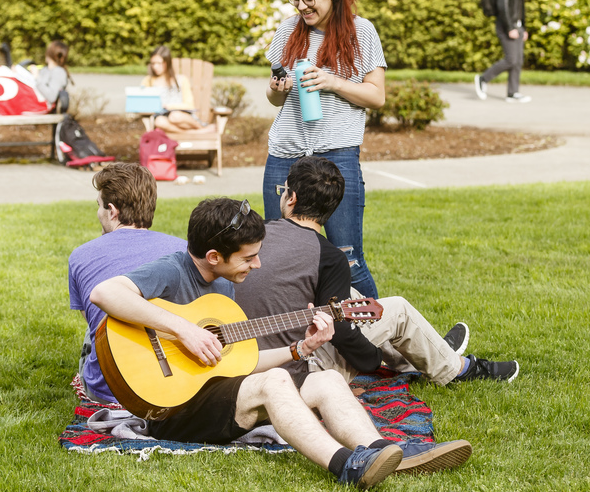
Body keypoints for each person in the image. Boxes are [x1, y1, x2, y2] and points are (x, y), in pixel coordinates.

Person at [89, 198, 472, 486]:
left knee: (326, 380)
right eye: (249, 258)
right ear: (212, 256)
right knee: (275, 382)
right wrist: (183, 329)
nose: (256, 266)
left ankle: (380, 451)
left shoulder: (222, 286)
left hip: (214, 395)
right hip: (172, 411)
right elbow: (106, 293)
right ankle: (345, 465)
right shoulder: (172, 270)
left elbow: (238, 363)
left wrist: (299, 350)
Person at [236, 156, 519, 385]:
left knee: (350, 294)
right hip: (296, 369)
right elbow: (343, 334)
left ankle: (427, 354)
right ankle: (457, 368)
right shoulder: (329, 257)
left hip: (241, 355)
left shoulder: (256, 236)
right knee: (398, 309)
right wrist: (374, 360)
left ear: (292, 198)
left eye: (283, 190)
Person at [263, 0, 386, 300]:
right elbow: (274, 99)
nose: (301, 7)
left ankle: (381, 339)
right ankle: (294, 344)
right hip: (285, 156)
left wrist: (332, 81)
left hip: (336, 158)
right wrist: (277, 89)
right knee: (279, 256)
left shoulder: (361, 32)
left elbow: (376, 97)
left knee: (348, 259)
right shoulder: (288, 30)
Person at [68, 162, 186, 403]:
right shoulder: (184, 250)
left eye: (99, 206)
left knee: (94, 329)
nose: (98, 213)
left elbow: (93, 322)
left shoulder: (80, 255)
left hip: (109, 389)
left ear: (112, 211)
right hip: (177, 380)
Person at [476, 0, 532, 103]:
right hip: (507, 26)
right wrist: (510, 28)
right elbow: (503, 7)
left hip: (518, 26)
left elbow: (520, 8)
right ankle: (482, 79)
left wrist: (524, 28)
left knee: (518, 60)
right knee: (511, 59)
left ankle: (512, 93)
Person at [141, 45, 204, 133]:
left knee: (175, 116)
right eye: (153, 63)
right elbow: (144, 103)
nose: (155, 67)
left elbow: (190, 105)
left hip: (182, 117)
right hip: (164, 120)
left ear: (168, 62)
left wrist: (169, 106)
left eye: (159, 63)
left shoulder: (181, 80)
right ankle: (194, 133)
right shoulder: (148, 81)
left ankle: (200, 128)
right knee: (159, 121)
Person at [32, 40, 71, 112]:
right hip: (33, 104)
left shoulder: (59, 72)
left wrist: (37, 77)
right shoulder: (45, 69)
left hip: (42, 107)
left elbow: (51, 97)